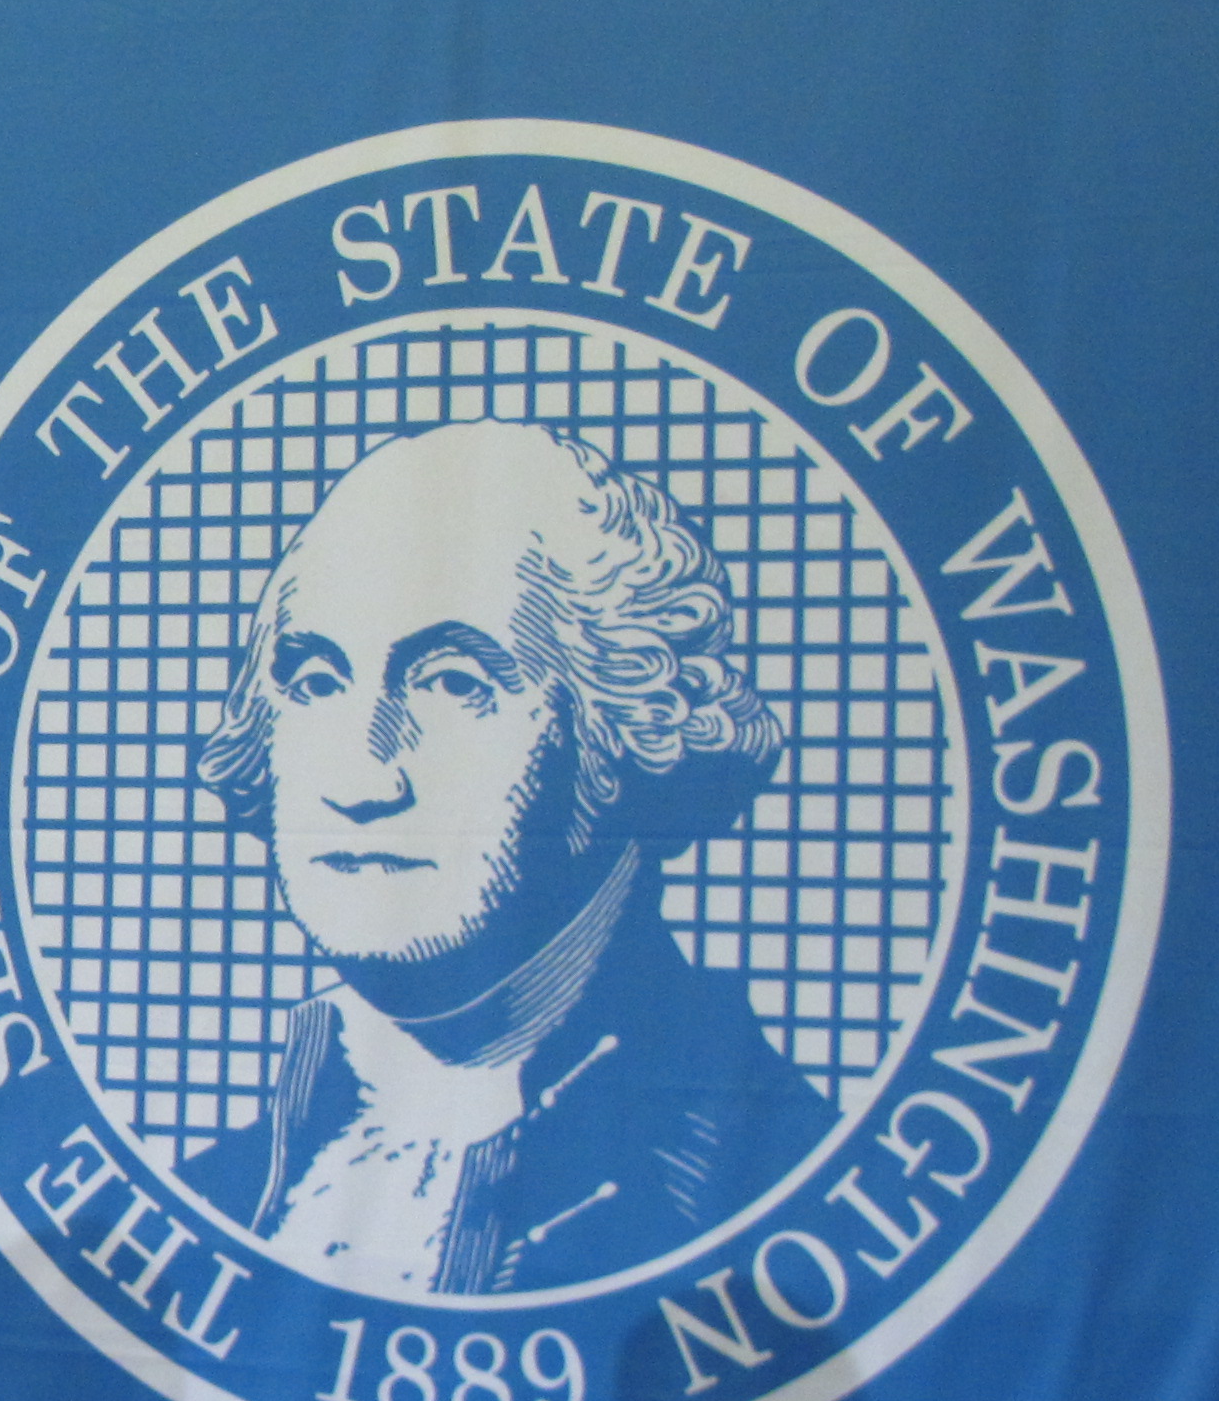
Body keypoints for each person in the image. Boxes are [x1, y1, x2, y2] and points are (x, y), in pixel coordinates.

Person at [184, 418, 833, 1295]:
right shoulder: (203, 1204)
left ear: (626, 733)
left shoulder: (753, 1202)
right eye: (315, 684)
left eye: (456, 684)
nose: (364, 774)